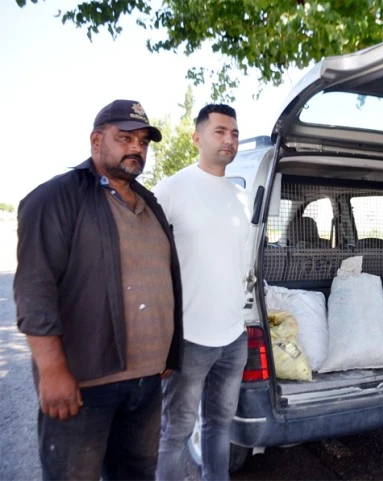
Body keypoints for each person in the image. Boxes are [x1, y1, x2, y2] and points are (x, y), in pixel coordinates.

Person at [14, 99, 184, 481]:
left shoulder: (150, 202)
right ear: (95, 140)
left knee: (137, 474)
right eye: (125, 138)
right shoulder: (56, 197)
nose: (137, 148)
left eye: (143, 141)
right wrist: (53, 370)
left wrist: (168, 352)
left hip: (147, 382)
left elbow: (163, 279)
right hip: (86, 385)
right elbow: (34, 289)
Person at [154, 104, 251, 481]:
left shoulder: (240, 196)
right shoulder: (172, 189)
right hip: (190, 339)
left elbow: (240, 263)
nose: (229, 139)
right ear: (197, 138)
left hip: (234, 337)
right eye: (220, 131)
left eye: (235, 133)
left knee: (219, 428)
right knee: (175, 433)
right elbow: (149, 259)